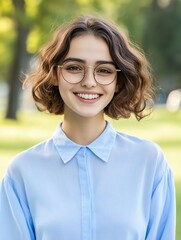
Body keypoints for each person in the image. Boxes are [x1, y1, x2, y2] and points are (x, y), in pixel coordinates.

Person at [0, 15, 175, 240]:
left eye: (104, 70)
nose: (89, 82)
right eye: (74, 67)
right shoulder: (22, 171)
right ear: (55, 75)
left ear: (118, 81)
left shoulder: (149, 163)